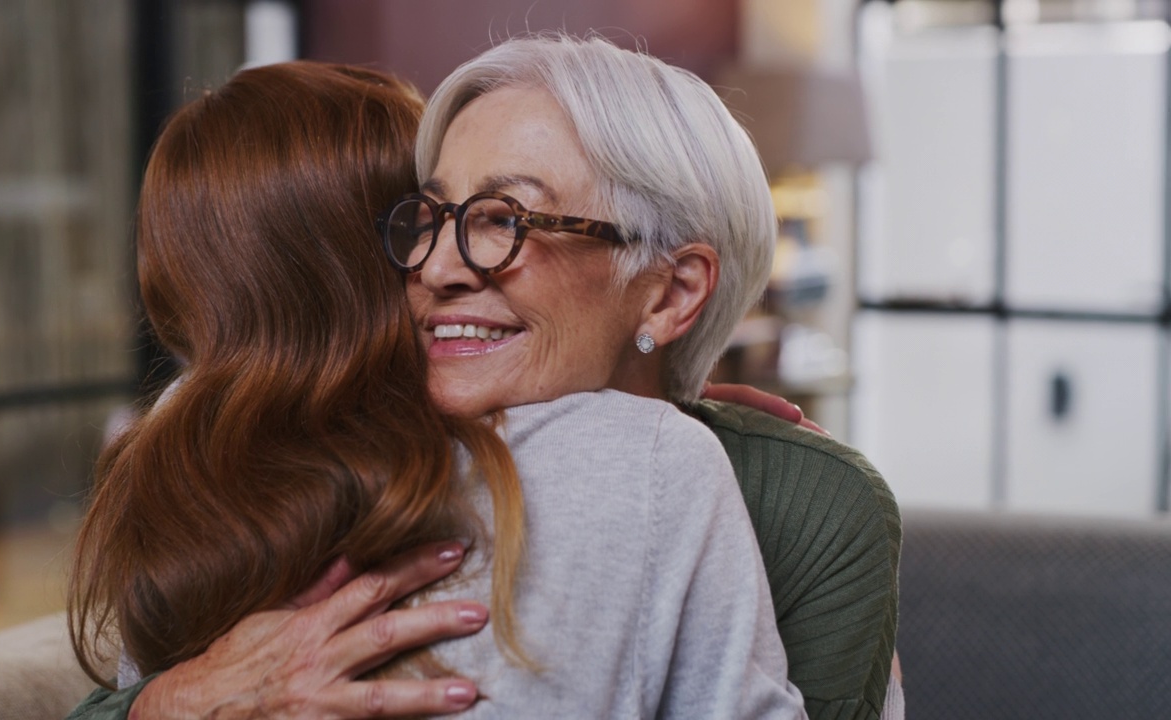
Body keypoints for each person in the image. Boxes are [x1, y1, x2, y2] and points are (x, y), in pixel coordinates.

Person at [72, 34, 901, 720]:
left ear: (673, 291)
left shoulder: (795, 496)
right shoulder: (251, 439)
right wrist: (172, 703)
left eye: (506, 219)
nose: (434, 265)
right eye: (429, 217)